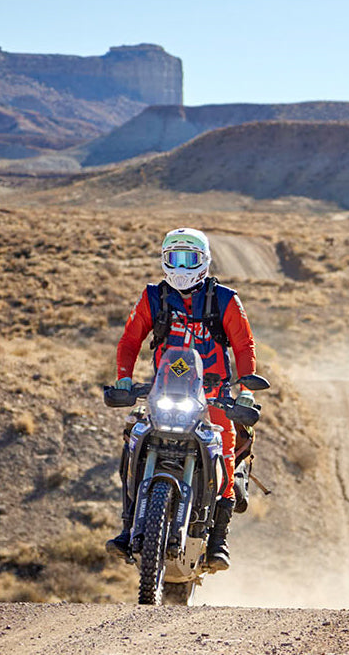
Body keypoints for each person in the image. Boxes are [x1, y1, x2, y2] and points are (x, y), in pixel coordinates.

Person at [106, 228, 257, 571]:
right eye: (175, 258)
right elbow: (130, 341)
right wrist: (124, 380)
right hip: (165, 392)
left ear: (204, 261)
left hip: (213, 396)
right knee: (133, 441)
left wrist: (245, 391)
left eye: (189, 259)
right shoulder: (153, 298)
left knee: (226, 447)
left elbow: (244, 346)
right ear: (163, 260)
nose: (181, 267)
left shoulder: (225, 300)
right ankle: (128, 528)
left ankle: (219, 539)